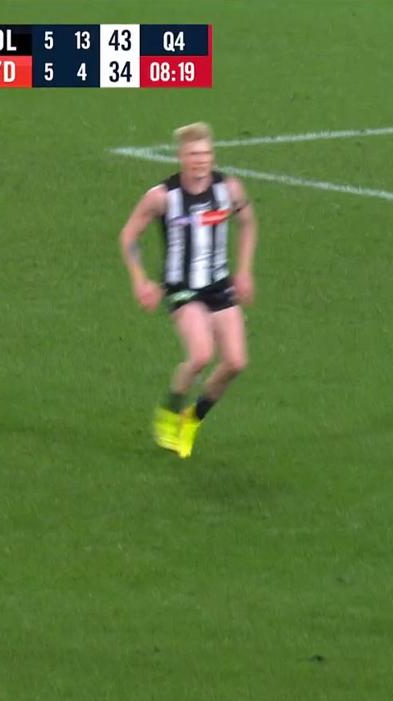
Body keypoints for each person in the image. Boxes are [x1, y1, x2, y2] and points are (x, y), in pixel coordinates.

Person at [118, 122, 257, 459]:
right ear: (181, 157)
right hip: (182, 289)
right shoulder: (162, 197)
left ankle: (191, 419)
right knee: (201, 355)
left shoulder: (230, 189)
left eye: (206, 153)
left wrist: (244, 270)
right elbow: (128, 236)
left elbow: (248, 222)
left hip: (219, 284)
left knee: (236, 362)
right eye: (194, 154)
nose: (201, 160)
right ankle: (169, 411)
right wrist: (140, 279)